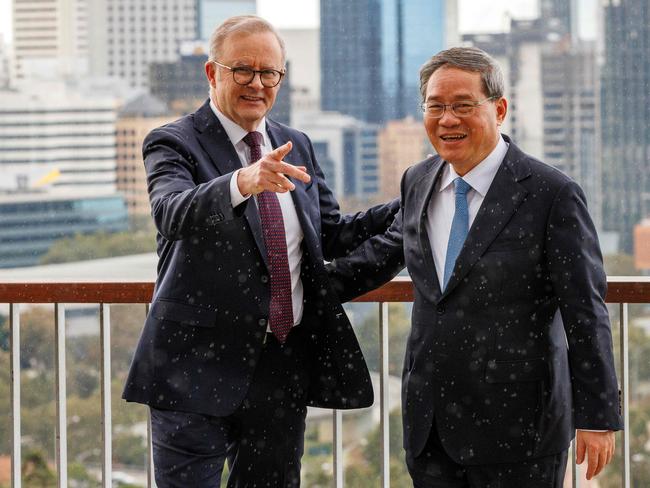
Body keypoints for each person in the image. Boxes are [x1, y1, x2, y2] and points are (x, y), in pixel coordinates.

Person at [122, 15, 398, 487]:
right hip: (193, 369)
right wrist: (241, 181)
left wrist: (411, 202)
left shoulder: (297, 144)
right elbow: (171, 212)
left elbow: (331, 234)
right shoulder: (173, 140)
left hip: (279, 368)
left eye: (269, 73)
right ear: (213, 74)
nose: (257, 83)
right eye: (243, 70)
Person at [328, 46, 622, 487]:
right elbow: (380, 253)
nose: (448, 120)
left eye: (463, 106)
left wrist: (598, 416)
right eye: (436, 106)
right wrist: (283, 284)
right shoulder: (419, 179)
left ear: (499, 109)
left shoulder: (551, 193)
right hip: (430, 428)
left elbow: (586, 310)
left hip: (519, 430)